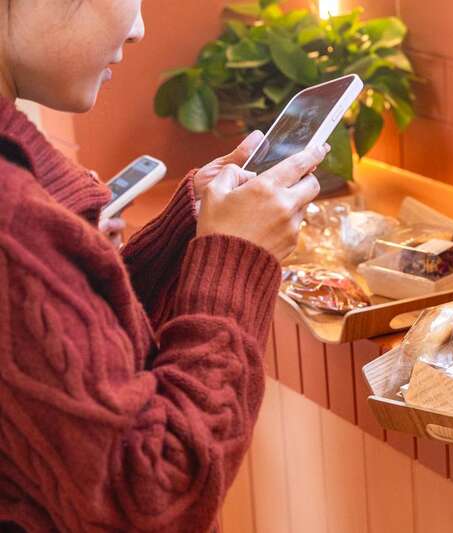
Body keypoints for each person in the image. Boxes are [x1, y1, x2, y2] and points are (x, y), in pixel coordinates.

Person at [0, 1, 325, 531]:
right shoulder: (12, 221)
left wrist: (186, 230)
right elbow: (157, 494)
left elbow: (76, 363)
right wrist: (234, 260)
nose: (139, 29)